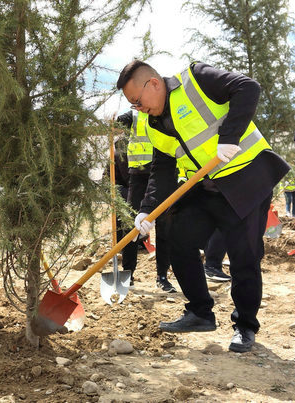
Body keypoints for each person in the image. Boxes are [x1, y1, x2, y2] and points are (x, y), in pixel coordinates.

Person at [117, 60, 289, 353]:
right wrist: (146, 209)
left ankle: (245, 326)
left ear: (154, 84)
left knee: (244, 257)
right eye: (133, 105)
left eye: (138, 101)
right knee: (178, 238)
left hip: (246, 179)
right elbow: (162, 168)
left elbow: (248, 87)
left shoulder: (195, 79)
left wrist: (229, 136)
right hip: (207, 187)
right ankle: (200, 312)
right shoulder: (154, 124)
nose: (138, 109)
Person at [116, 111, 176, 292]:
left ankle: (162, 276)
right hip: (138, 175)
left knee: (164, 225)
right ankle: (127, 273)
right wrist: (113, 122)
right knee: (131, 225)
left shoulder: (166, 111)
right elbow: (118, 124)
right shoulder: (133, 114)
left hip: (162, 174)